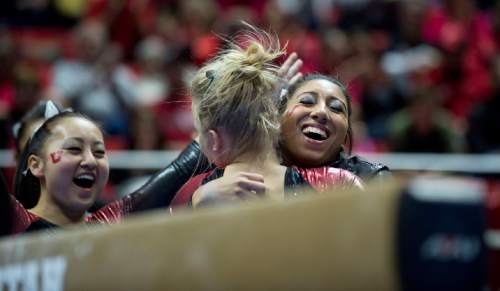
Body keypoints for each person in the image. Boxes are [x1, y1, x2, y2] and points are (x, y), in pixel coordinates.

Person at [168, 27, 363, 207]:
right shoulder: (337, 183)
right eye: (307, 101)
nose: (320, 113)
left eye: (198, 136)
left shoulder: (198, 194)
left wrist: (196, 202)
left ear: (212, 140)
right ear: (276, 120)